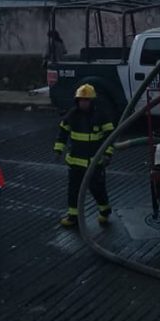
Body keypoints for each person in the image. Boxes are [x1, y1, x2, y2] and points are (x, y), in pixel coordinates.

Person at [53, 84, 114, 228]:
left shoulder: (101, 116)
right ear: (77, 101)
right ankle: (73, 216)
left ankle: (105, 211)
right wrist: (58, 150)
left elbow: (110, 137)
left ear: (92, 101)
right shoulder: (72, 115)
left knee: (98, 190)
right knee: (73, 190)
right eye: (81, 100)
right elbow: (63, 134)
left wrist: (107, 154)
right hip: (75, 163)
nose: (83, 103)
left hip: (95, 163)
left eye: (86, 100)